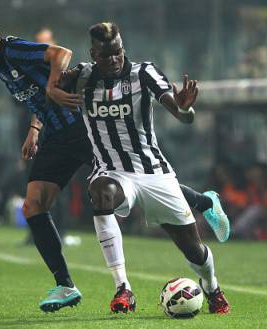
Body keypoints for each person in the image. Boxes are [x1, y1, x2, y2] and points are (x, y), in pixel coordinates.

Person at [61, 22, 230, 314]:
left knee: (193, 249)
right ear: (93, 54)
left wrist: (185, 108)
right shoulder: (81, 78)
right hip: (112, 172)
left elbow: (181, 114)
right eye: (106, 55)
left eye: (118, 52)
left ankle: (212, 286)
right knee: (100, 194)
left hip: (153, 172)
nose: (114, 60)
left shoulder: (143, 73)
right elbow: (48, 91)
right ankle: (122, 288)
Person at [0, 12, 89, 312]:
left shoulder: (13, 49)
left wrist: (54, 85)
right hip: (55, 137)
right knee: (32, 206)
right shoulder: (0, 64)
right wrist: (35, 128)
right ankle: (65, 285)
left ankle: (201, 203)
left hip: (81, 129)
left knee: (127, 187)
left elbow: (62, 53)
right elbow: (36, 92)